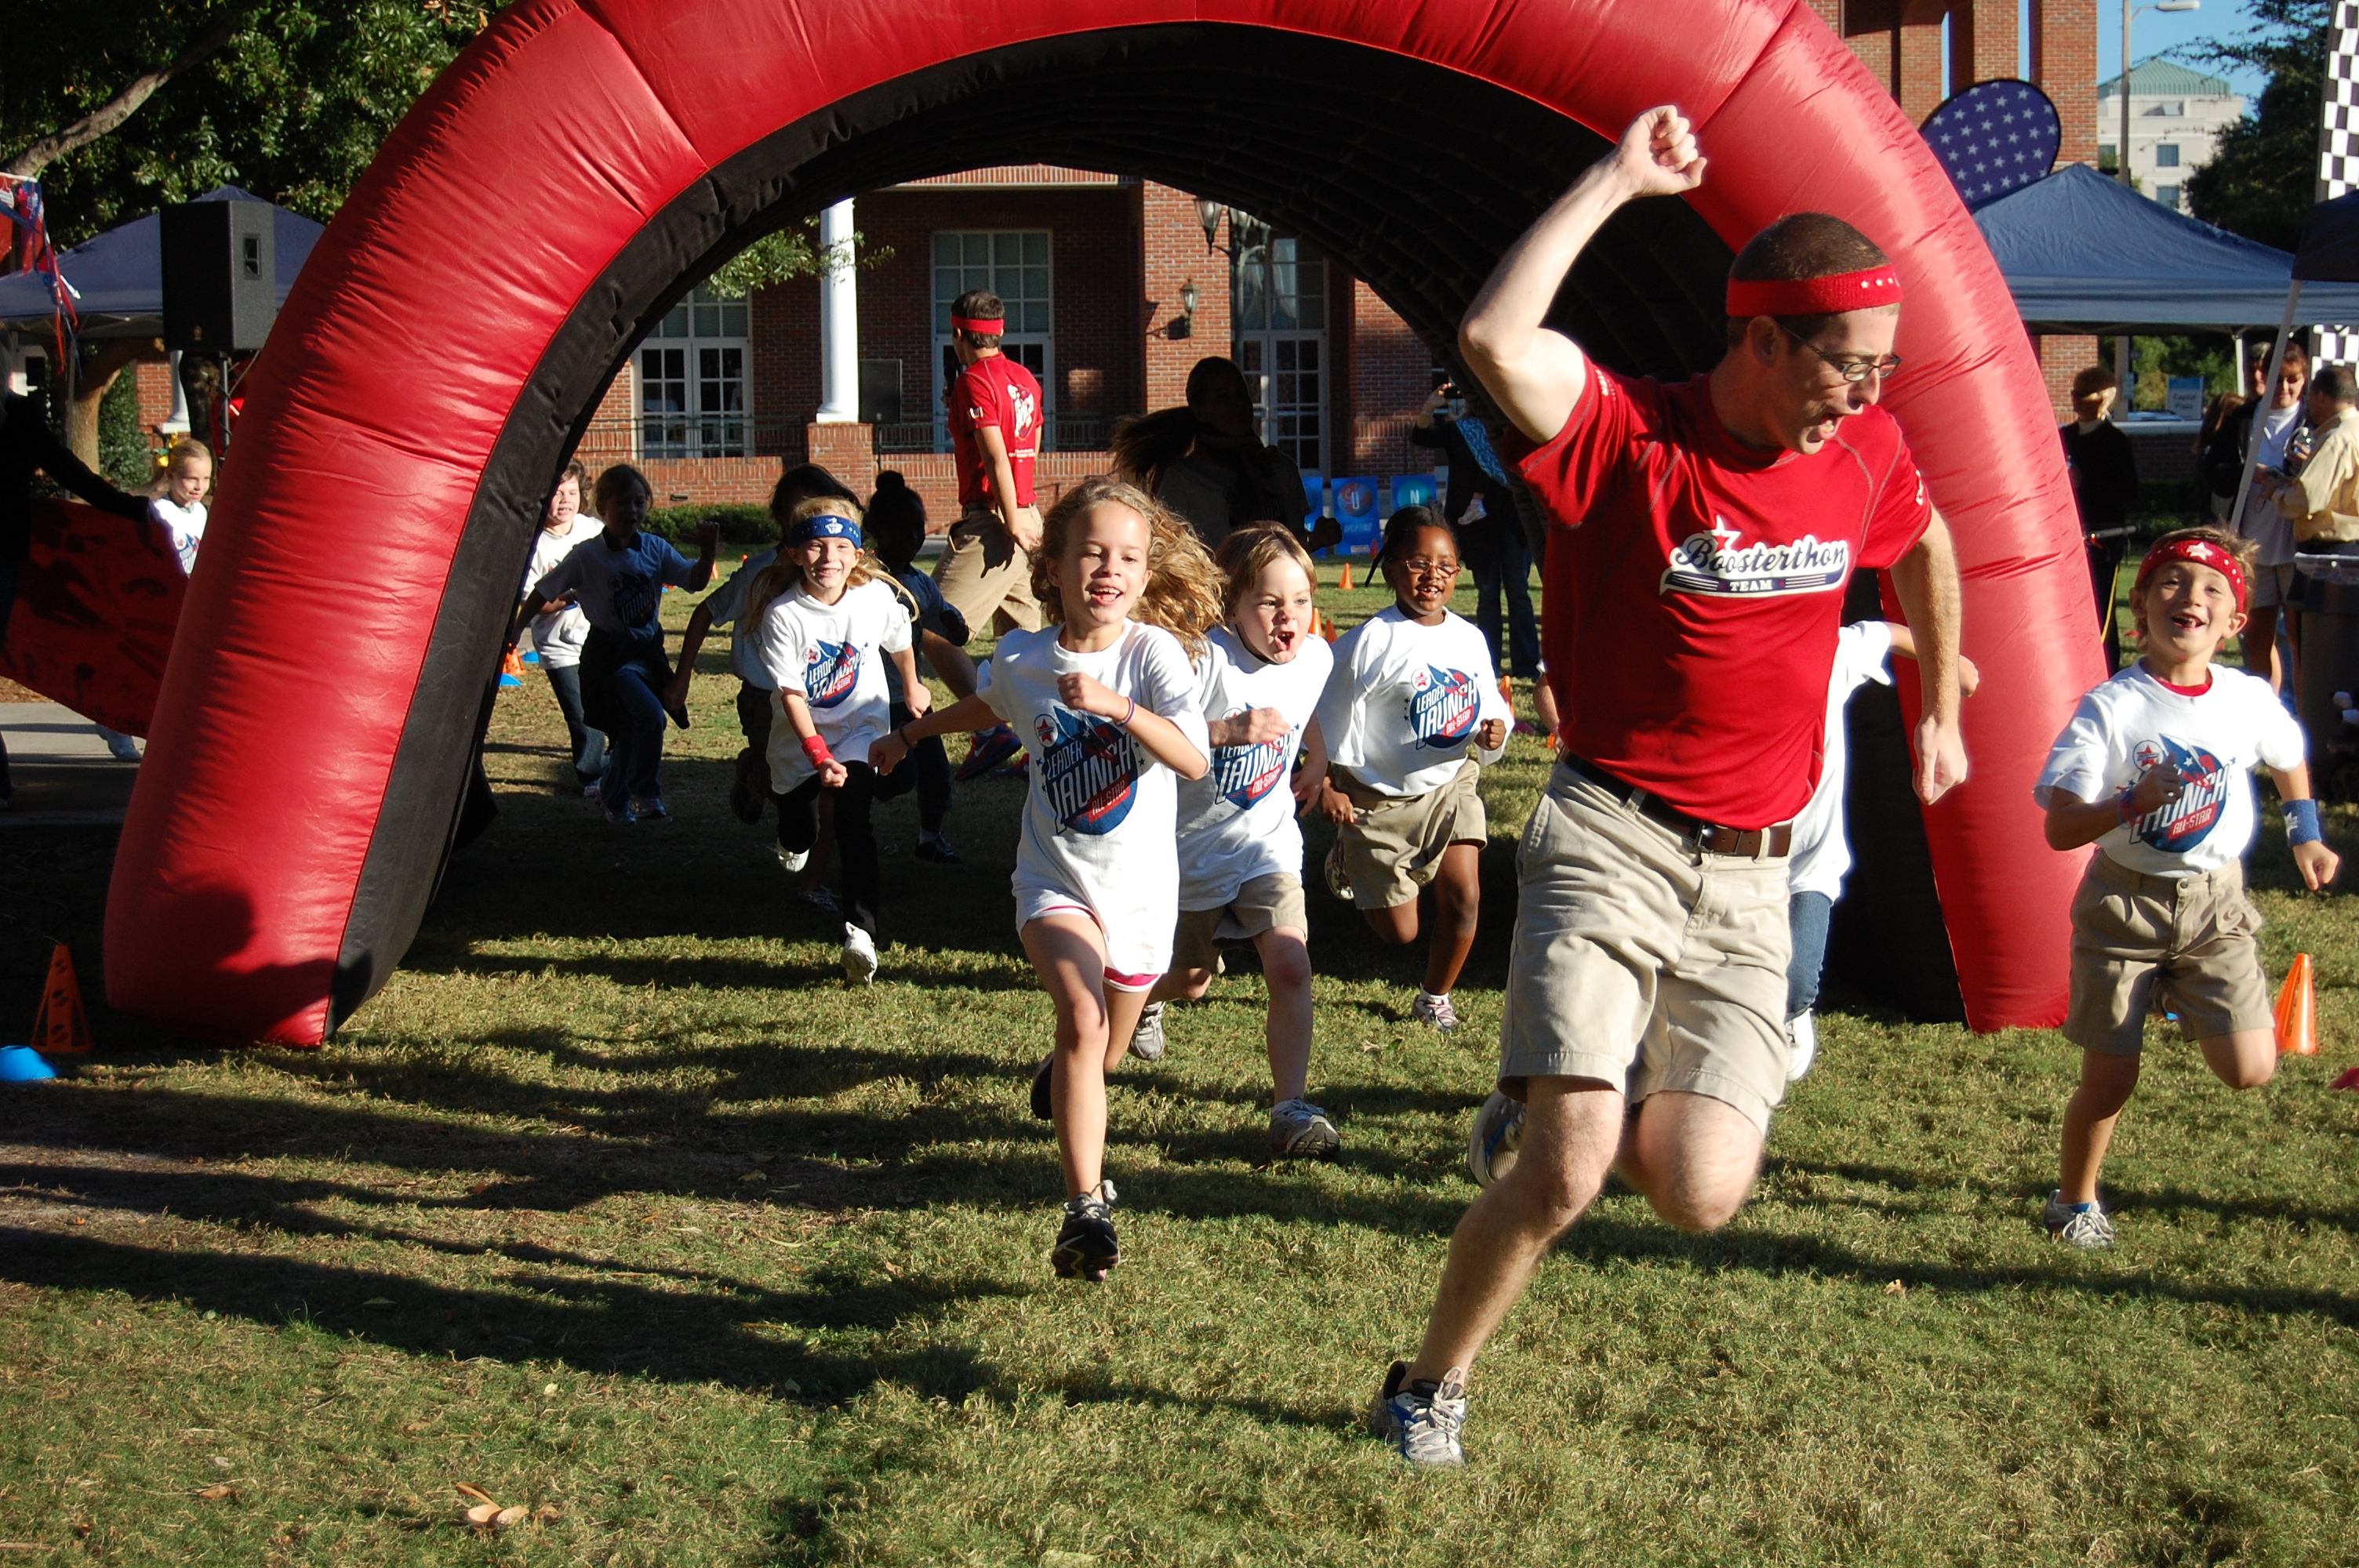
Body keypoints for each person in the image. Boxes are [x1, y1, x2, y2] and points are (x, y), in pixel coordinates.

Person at [1372, 107, 1965, 1469]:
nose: (1867, 392)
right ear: (1758, 339)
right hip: (1612, 834)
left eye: (1884, 366)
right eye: (1844, 363)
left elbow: (1922, 537)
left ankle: (1544, 1101)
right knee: (1569, 1174)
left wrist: (1941, 689)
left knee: (1698, 1193)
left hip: (1757, 875)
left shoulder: (1862, 451)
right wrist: (1617, 180)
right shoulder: (1635, 437)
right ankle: (1427, 1386)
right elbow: (1489, 345)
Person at [871, 475, 1218, 1281]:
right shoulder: (1025, 653)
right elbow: (993, 703)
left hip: (1138, 895)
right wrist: (913, 732)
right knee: (1083, 1018)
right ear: (1052, 567)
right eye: (1091, 552)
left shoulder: (1152, 655)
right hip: (1054, 879)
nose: (1109, 568)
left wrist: (1117, 707)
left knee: (1100, 1049)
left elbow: (1195, 757)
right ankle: (1085, 1210)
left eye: (1127, 557)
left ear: (1143, 573)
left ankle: (1064, 1079)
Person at [2033, 528, 2336, 1249]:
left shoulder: (2246, 697)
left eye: (2212, 589)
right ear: (2139, 605)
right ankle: (2073, 1202)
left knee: (2251, 1069)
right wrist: (2128, 805)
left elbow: (2288, 757)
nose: (2189, 597)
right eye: (2171, 582)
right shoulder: (2110, 706)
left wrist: (2306, 833)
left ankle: (2182, 987)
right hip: (2123, 909)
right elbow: (2059, 830)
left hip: (2215, 906)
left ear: (2235, 623)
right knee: (2109, 1081)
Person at [1136, 523, 1340, 1157]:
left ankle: (1291, 1109)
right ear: (1232, 606)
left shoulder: (1316, 657)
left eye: (1301, 600)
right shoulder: (1203, 659)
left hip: (1267, 841)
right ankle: (1140, 1000)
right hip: (1188, 848)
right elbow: (1156, 738)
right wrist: (1225, 731)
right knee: (1190, 979)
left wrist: (1318, 759)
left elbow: (1310, 712)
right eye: (1270, 602)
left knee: (1289, 963)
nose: (1290, 616)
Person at [1311, 506, 1509, 1032]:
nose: (1433, 577)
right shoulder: (1366, 644)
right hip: (1379, 800)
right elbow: (1324, 721)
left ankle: (1434, 997)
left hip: (1450, 783)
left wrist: (1496, 730)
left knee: (1465, 898)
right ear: (1392, 566)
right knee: (1399, 932)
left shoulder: (1469, 639)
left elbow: (1491, 704)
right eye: (1419, 563)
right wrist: (1328, 784)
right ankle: (1351, 861)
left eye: (1446, 566)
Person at [1780, 623, 1982, 1081]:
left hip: (1805, 863)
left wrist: (1948, 668)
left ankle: (1792, 1014)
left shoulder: (1826, 648)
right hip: (1729, 860)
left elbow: (1884, 633)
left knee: (1792, 985)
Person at [747, 495, 925, 984]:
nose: (829, 559)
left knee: (853, 822)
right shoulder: (784, 615)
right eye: (815, 547)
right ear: (793, 553)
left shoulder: (872, 599)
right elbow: (791, 696)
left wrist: (911, 684)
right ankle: (785, 825)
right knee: (801, 830)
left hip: (862, 731)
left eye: (840, 546)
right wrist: (818, 755)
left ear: (858, 554)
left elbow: (900, 638)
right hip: (800, 745)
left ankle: (860, 936)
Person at [507, 463, 718, 825]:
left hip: (647, 653)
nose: (632, 511)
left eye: (639, 503)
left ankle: (613, 795)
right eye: (622, 503)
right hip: (609, 656)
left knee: (630, 731)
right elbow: (544, 590)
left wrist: (708, 552)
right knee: (650, 717)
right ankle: (647, 794)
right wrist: (514, 632)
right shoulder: (588, 556)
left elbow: (694, 582)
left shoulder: (654, 548)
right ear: (603, 508)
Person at [666, 463, 860, 822]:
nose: (811, 518)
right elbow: (707, 611)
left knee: (819, 780)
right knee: (787, 785)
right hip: (764, 698)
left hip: (819, 695)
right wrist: (682, 678)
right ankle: (756, 775)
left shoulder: (841, 571)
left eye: (820, 507)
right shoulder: (760, 572)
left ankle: (815, 840)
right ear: (782, 520)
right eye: (801, 510)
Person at [0, 390, 154, 803]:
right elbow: (67, 470)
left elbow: (66, 469)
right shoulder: (20, 417)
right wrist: (126, 508)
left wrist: (126, 507)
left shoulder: (20, 416)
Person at [932, 287, 1044, 780]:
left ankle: (990, 729)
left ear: (959, 335)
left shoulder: (974, 380)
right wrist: (1026, 513)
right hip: (1027, 513)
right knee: (1029, 650)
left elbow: (996, 454)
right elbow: (1030, 445)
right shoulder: (1024, 379)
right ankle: (1048, 747)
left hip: (997, 523)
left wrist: (1010, 521)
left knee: (932, 627)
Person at [1110, 355, 1341, 555]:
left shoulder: (1281, 469)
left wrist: (1316, 539)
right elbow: (1169, 554)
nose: (1238, 404)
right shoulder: (1182, 479)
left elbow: (1290, 544)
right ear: (1199, 410)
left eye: (1242, 394)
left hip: (1275, 600)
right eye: (1224, 397)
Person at [866, 470, 979, 862]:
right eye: (903, 529)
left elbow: (948, 623)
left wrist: (956, 627)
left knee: (935, 774)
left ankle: (930, 839)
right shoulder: (861, 580)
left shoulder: (920, 583)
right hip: (868, 698)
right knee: (895, 778)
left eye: (919, 528)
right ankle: (852, 811)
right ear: (876, 529)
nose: (913, 537)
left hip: (911, 698)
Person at [1412, 385, 1539, 708]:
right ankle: (1490, 661)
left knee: (1518, 591)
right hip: (1476, 525)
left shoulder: (1510, 429)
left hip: (1512, 519)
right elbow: (1421, 437)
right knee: (1487, 592)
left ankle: (1526, 663)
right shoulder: (1461, 431)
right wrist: (1431, 405)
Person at [2206, 339, 2310, 691]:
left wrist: (2300, 470)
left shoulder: (2312, 419)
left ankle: (2304, 713)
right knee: (2257, 638)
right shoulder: (2242, 419)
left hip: (2297, 542)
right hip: (2253, 542)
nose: (2284, 387)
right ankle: (2267, 708)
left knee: (2300, 641)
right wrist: (2249, 472)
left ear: (2304, 379)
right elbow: (2214, 471)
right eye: (2277, 377)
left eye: (2293, 379)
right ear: (2262, 376)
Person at [519, 459, 606, 794]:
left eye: (571, 492)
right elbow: (535, 601)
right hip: (559, 645)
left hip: (598, 636)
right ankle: (592, 776)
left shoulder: (593, 530)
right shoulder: (535, 545)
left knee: (611, 701)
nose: (565, 500)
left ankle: (615, 762)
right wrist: (572, 594)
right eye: (557, 494)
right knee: (582, 712)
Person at [2060, 366, 2139, 670]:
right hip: (2067, 536)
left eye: (2084, 394)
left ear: (2104, 398)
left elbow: (2128, 490)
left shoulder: (2116, 442)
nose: (2076, 400)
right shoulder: (2063, 436)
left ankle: (2105, 668)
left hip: (2103, 538)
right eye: (2074, 393)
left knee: (2100, 609)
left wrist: (2085, 481)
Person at [2277, 364, 2359, 572]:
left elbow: (2307, 498)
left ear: (2321, 396)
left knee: (2324, 606)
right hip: (2348, 551)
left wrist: (2276, 492)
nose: (2309, 405)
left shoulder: (2337, 439)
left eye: (2310, 397)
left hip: (2333, 556)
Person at [151, 437, 213, 579]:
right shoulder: (159, 512)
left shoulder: (201, 511)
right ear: (171, 476)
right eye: (192, 479)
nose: (200, 487)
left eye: (206, 478)